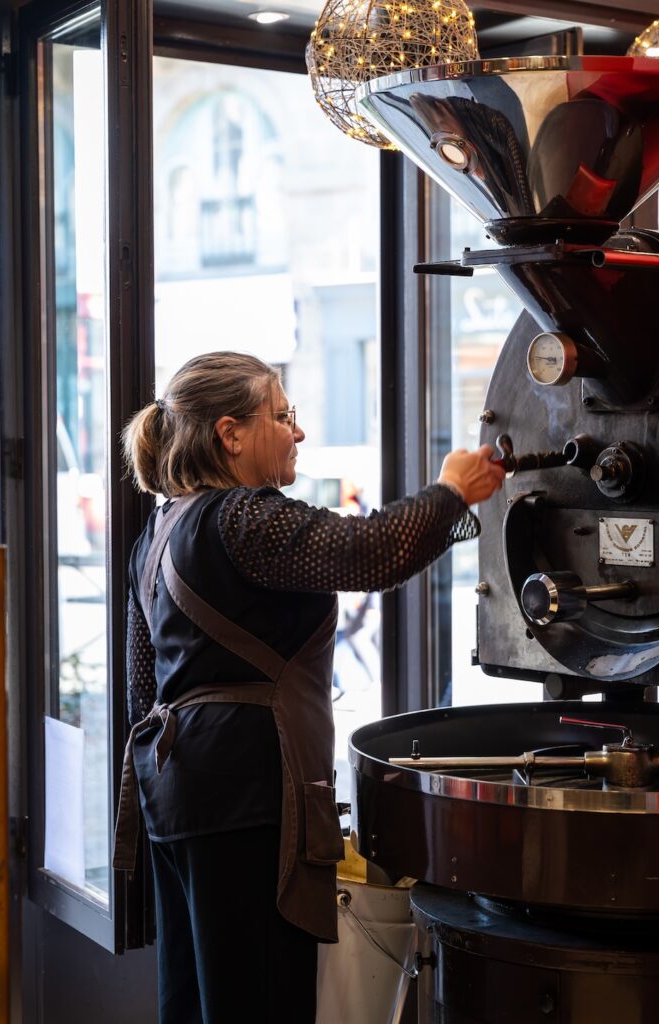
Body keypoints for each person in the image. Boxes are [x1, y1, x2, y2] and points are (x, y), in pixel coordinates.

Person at [113, 351, 505, 1024]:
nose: (297, 431)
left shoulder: (158, 532)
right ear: (231, 434)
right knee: (261, 999)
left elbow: (141, 688)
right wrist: (450, 491)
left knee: (197, 1002)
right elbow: (368, 551)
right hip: (246, 797)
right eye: (283, 415)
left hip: (175, 794)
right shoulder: (241, 518)